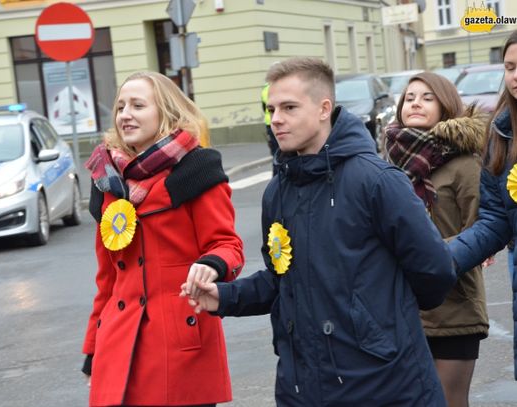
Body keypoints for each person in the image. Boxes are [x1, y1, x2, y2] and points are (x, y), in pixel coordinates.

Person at [181, 57, 457, 406]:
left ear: (324, 108)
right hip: (302, 387)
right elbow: (280, 279)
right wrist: (225, 297)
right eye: (271, 109)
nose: (276, 119)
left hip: (385, 385)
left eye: (289, 107)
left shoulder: (377, 181)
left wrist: (380, 324)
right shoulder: (278, 191)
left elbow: (435, 271)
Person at [81, 71, 244, 407]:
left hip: (179, 342)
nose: (125, 114)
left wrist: (211, 265)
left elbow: (227, 246)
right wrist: (93, 347)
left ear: (166, 112)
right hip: (119, 342)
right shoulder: (105, 180)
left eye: (138, 105)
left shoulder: (197, 169)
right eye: (121, 106)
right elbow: (108, 280)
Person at [384, 72, 489, 407]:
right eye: (410, 97)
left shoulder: (464, 163)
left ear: (446, 107)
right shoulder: (388, 163)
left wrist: (431, 257)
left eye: (428, 97)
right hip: (401, 309)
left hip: (453, 308)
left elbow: (483, 228)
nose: (416, 102)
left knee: (448, 402)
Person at [448, 29, 517, 381]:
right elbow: (494, 219)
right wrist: (438, 258)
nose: (516, 76)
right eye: (510, 67)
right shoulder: (500, 132)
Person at [262, 82, 279, 175]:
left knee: (276, 153)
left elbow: (263, 107)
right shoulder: (280, 85)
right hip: (272, 124)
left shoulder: (265, 89)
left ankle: (276, 175)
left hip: (269, 124)